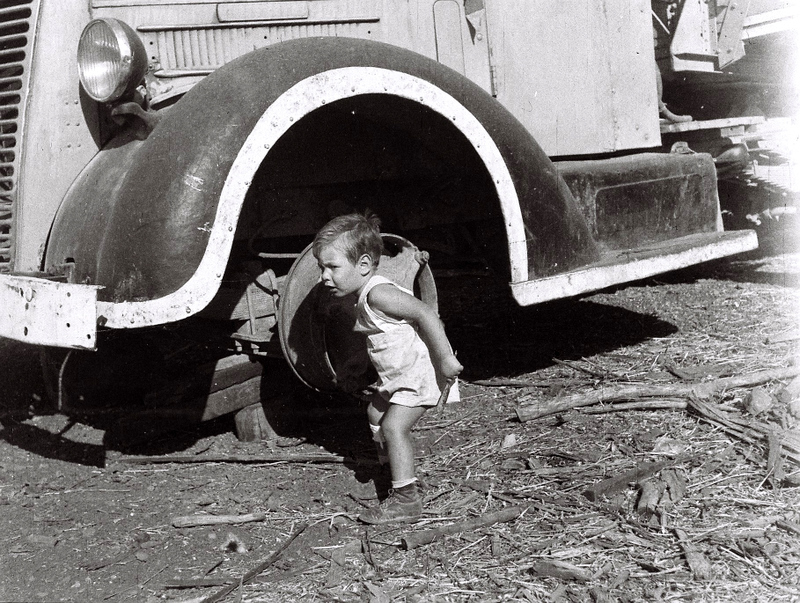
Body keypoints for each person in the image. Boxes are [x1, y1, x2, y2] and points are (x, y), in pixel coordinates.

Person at [312, 212, 463, 524]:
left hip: (418, 376)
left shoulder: (379, 293)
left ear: (364, 265)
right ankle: (393, 469)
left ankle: (406, 499)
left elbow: (425, 313)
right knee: (375, 413)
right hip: (397, 377)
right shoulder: (363, 296)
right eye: (321, 267)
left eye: (332, 267)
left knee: (394, 427)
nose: (324, 276)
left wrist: (446, 358)